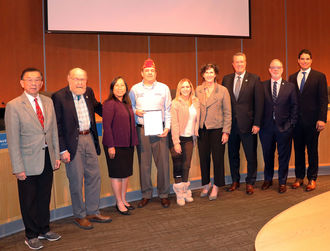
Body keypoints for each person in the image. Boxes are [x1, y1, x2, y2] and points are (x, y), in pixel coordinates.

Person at [5, 68, 61, 250]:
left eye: (38, 79)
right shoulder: (14, 105)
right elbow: (13, 140)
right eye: (30, 80)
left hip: (47, 157)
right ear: (22, 83)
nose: (34, 83)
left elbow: (52, 131)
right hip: (27, 161)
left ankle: (44, 229)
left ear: (42, 82)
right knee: (28, 200)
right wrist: (17, 167)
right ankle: (31, 234)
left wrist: (56, 155)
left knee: (44, 197)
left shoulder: (48, 102)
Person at [52, 68, 111, 230]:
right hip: (72, 143)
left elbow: (98, 107)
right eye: (76, 79)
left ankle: (93, 211)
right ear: (69, 79)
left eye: (83, 79)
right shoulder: (59, 97)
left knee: (94, 176)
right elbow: (56, 125)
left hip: (89, 138)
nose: (80, 82)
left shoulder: (88, 92)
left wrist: (115, 113)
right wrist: (62, 149)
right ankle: (79, 215)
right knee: (76, 179)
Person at [129, 58, 172, 208]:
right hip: (142, 130)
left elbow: (167, 110)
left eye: (152, 70)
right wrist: (136, 112)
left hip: (160, 130)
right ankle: (146, 194)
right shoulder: (134, 89)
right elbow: (130, 108)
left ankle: (164, 194)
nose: (149, 73)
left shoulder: (164, 88)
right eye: (146, 70)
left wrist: (167, 127)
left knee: (163, 164)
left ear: (156, 73)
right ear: (141, 72)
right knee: (144, 164)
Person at [222, 52, 264, 195]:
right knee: (233, 155)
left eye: (242, 61)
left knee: (250, 155)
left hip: (248, 125)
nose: (239, 64)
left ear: (245, 63)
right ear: (233, 64)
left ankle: (250, 181)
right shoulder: (226, 79)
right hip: (231, 125)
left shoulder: (254, 79)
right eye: (237, 62)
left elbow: (259, 103)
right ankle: (235, 180)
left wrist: (257, 123)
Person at [289, 49, 328, 191]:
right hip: (296, 122)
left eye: (307, 59)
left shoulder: (319, 76)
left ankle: (312, 178)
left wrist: (322, 119)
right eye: (302, 59)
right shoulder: (292, 77)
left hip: (313, 122)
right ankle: (299, 177)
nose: (304, 61)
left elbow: (324, 100)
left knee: (312, 150)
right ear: (298, 60)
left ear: (311, 60)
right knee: (298, 150)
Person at [259, 59, 298, 193]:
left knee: (283, 156)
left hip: (284, 128)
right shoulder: (262, 85)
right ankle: (268, 179)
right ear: (269, 70)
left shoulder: (290, 87)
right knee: (267, 155)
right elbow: (259, 107)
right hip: (266, 128)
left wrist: (290, 125)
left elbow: (294, 107)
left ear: (282, 70)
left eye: (278, 67)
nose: (275, 70)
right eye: (273, 68)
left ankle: (282, 181)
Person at [102, 76, 138, 215]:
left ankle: (123, 199)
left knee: (126, 174)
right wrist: (111, 146)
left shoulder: (126, 103)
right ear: (112, 88)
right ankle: (118, 202)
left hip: (128, 144)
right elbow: (107, 126)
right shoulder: (110, 104)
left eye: (122, 85)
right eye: (116, 85)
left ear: (126, 88)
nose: (120, 88)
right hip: (115, 146)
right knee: (117, 175)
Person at [196, 64, 231, 200]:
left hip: (217, 130)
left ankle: (216, 185)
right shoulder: (198, 90)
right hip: (202, 130)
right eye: (206, 72)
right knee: (203, 159)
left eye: (211, 72)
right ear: (203, 75)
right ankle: (206, 184)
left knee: (217, 159)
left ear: (215, 74)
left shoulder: (222, 90)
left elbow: (228, 113)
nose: (209, 75)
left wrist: (226, 131)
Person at [170, 78, 200, 206]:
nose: (186, 89)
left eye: (188, 86)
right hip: (177, 138)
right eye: (183, 87)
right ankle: (179, 193)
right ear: (179, 89)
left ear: (191, 88)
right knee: (177, 165)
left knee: (186, 165)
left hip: (189, 138)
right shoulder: (175, 103)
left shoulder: (196, 101)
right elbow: (174, 124)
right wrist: (176, 142)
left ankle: (185, 190)